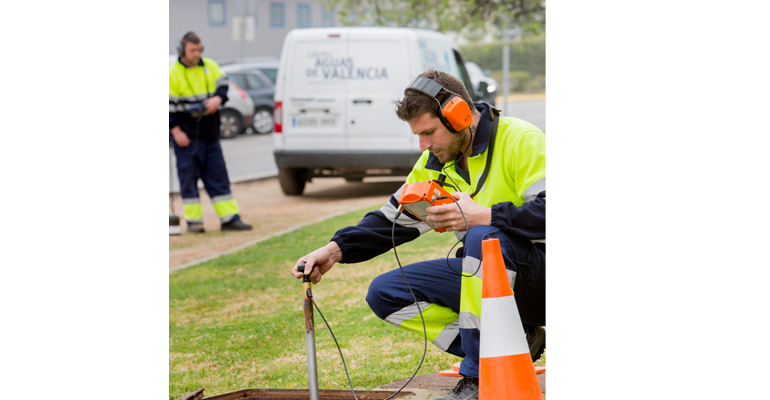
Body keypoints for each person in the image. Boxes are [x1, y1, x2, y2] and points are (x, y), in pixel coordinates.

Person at [291, 69, 545, 400]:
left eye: (428, 132)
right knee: (387, 292)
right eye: (417, 136)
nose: (423, 145)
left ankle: (477, 376)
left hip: (542, 282)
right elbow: (392, 221)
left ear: (460, 116)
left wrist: (485, 215)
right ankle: (516, 341)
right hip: (490, 277)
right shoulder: (435, 163)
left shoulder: (521, 140)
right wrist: (335, 250)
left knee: (481, 237)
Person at [169, 32, 252, 233]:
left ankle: (229, 218)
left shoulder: (210, 66)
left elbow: (224, 85)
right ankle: (194, 223)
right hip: (186, 138)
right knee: (188, 181)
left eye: (199, 50)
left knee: (219, 177)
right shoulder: (173, 74)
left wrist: (217, 99)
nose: (196, 54)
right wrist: (175, 131)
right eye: (192, 50)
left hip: (210, 135)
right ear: (183, 50)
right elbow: (167, 107)